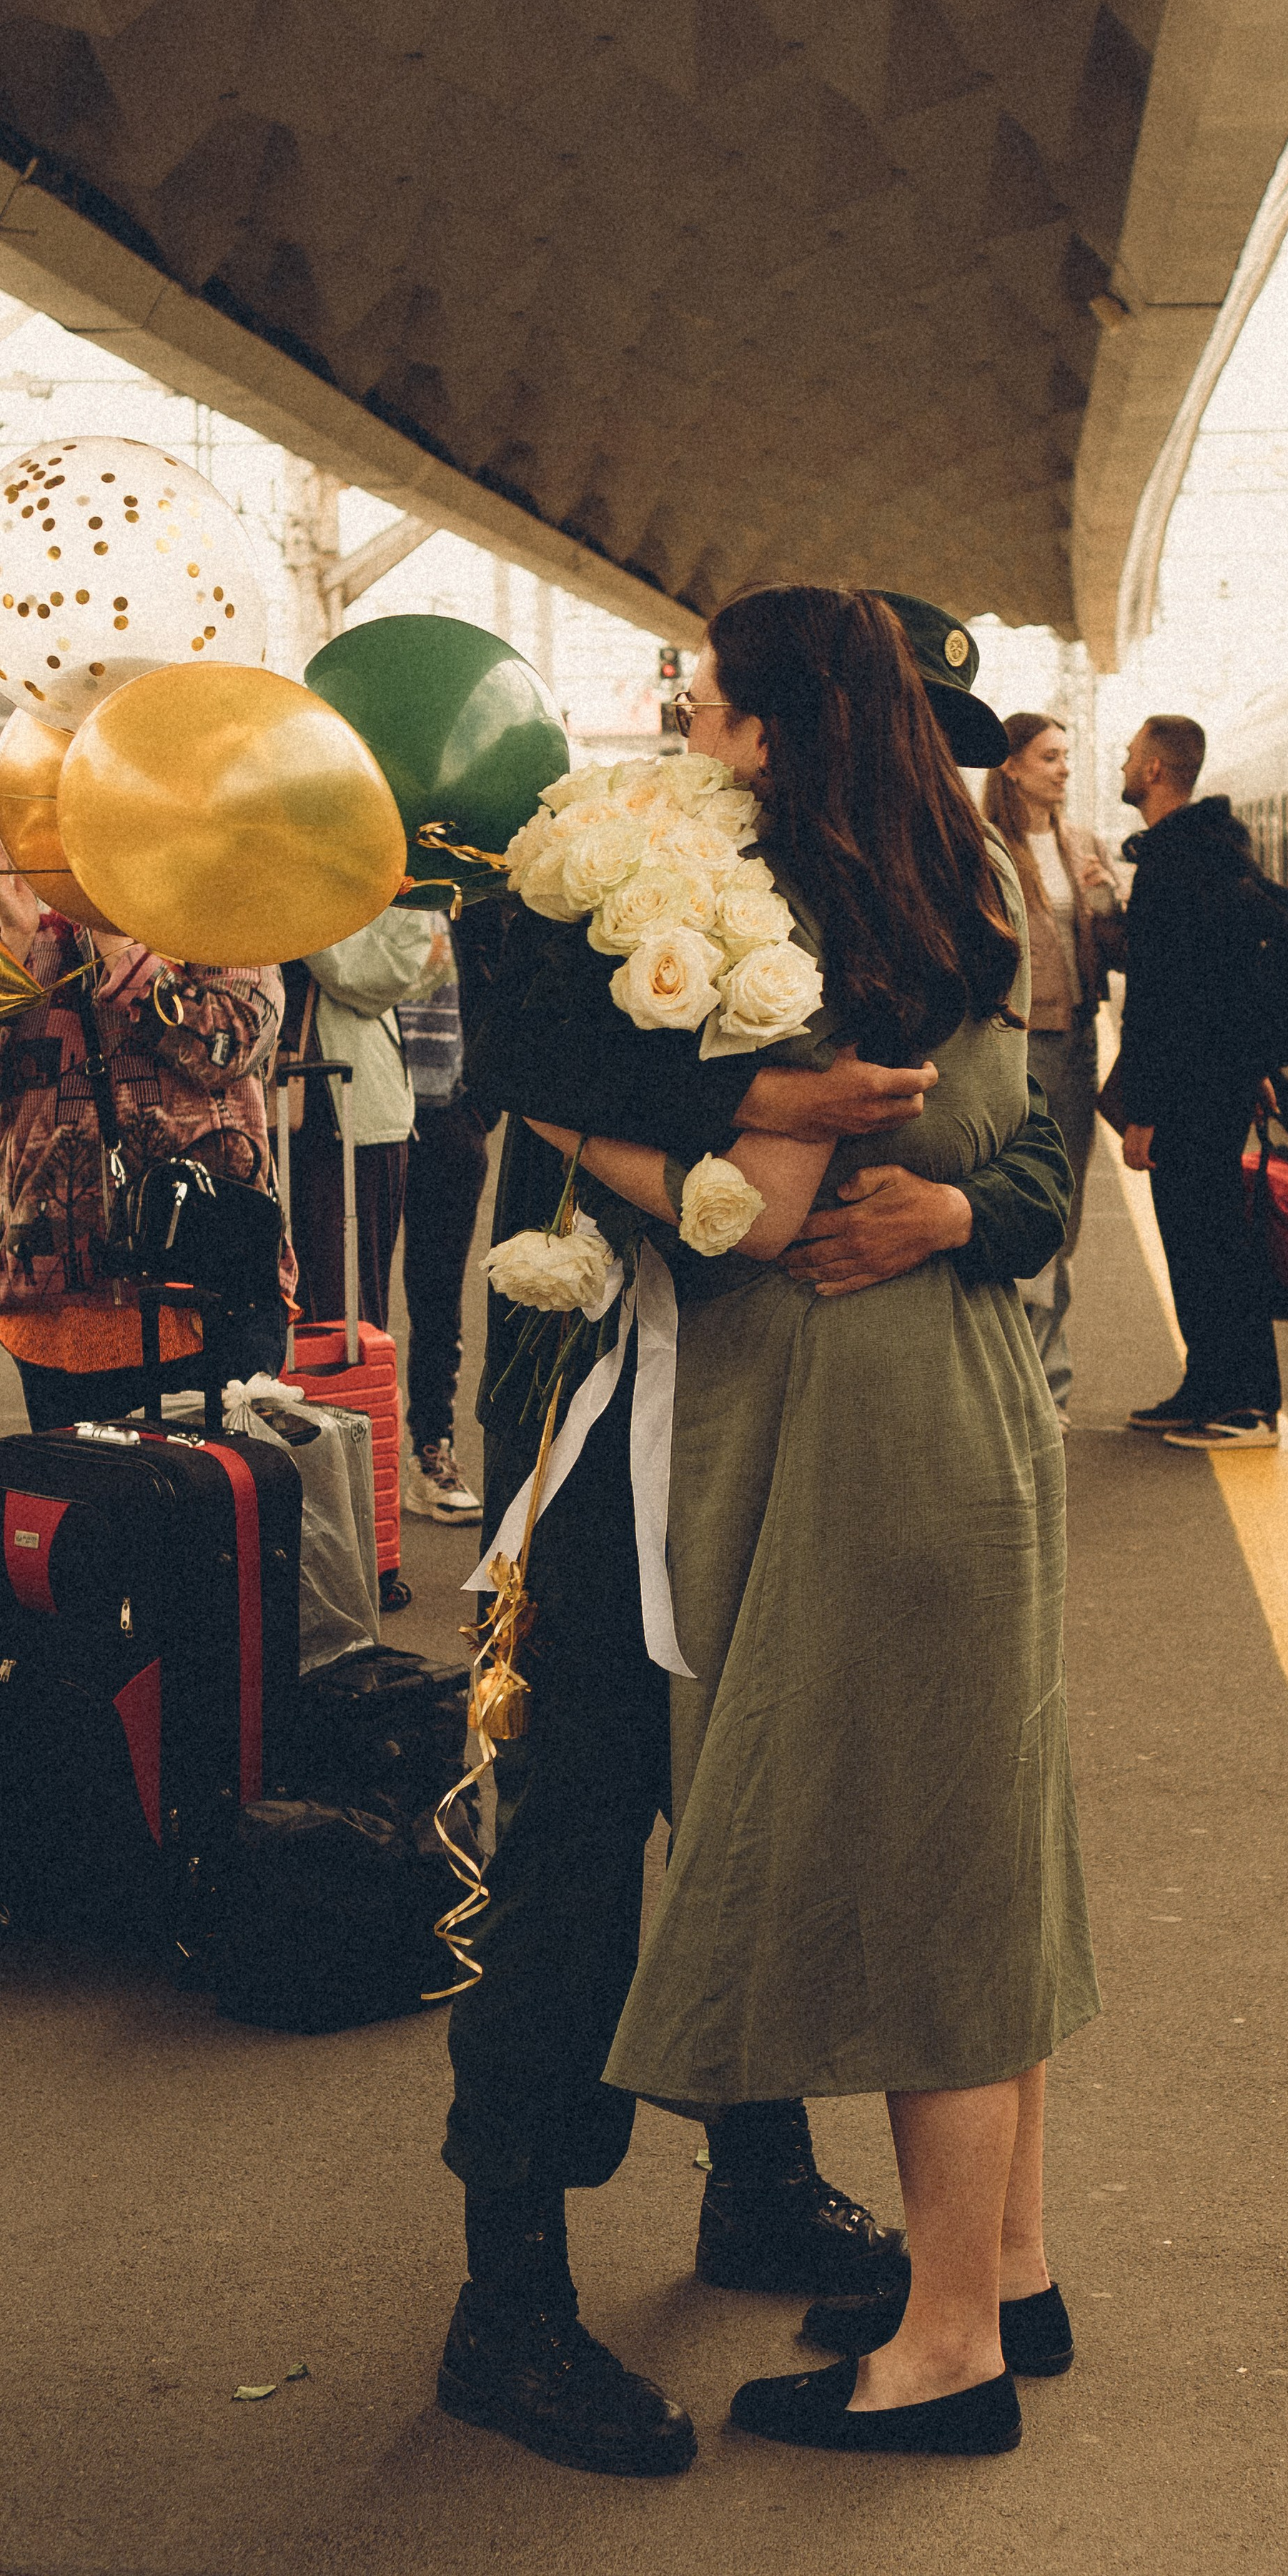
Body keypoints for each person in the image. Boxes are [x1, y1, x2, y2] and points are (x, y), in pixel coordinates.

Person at [435, 600, 1079, 2478]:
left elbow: (1032, 1157)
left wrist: (947, 1211)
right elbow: (509, 1063)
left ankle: (762, 2188)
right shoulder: (603, 899)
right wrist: (740, 1098)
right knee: (573, 1857)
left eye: (698, 707)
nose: (673, 735)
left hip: (780, 1451)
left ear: (777, 733)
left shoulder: (916, 904)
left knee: (773, 1819)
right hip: (605, 1440)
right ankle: (514, 2298)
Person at [0, 872, 292, 1428]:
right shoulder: (14, 910)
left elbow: (236, 1041)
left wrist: (123, 949)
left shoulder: (211, 888)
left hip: (208, 1295)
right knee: (87, 1510)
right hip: (51, 1312)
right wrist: (9, 961)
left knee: (212, 1506)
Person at [1116, 716, 1282, 1449]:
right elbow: (1234, 979)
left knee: (1210, 1245)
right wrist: (1256, 1068)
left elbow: (1163, 997)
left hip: (1187, 1092)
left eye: (1128, 756)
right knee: (1204, 1242)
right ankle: (1207, 1385)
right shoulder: (1216, 851)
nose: (1122, 764)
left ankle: (1244, 1407)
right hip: (1217, 1081)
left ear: (1154, 771)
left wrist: (1143, 1111)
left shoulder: (1172, 863)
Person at [982, 711, 1122, 1421]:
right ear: (1011, 766)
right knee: (1026, 1197)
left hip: (1077, 1041)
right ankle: (1038, 1383)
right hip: (1019, 1042)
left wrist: (1105, 899)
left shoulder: (1081, 843)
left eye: (1067, 756)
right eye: (1050, 757)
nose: (1064, 768)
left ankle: (1044, 1375)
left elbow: (1113, 947)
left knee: (1061, 1212)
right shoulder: (984, 846)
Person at [396, 902, 506, 1525]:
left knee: (438, 1294)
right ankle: (356, 1457)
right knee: (345, 1304)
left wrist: (477, 1105)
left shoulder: (471, 879)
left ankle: (432, 1451)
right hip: (354, 1104)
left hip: (450, 1112)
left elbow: (501, 984)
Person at [284, 904, 435, 1335]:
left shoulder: (383, 868)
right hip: (249, 1115)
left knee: (347, 1321)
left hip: (354, 1118)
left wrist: (293, 912)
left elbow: (387, 970)